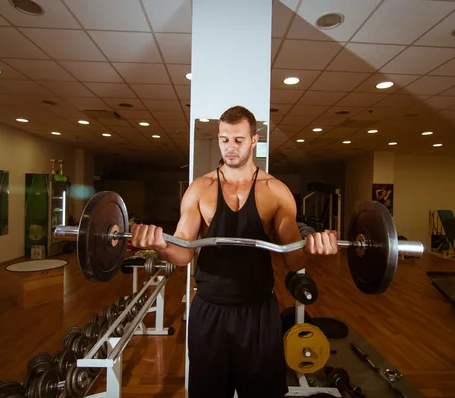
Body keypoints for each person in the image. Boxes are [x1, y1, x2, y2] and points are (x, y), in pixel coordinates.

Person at [130, 105, 339, 398]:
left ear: (254, 139)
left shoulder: (275, 191)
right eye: (224, 139)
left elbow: (293, 257)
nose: (230, 147)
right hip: (209, 312)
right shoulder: (200, 189)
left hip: (258, 314)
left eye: (239, 139)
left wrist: (314, 250)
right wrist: (159, 244)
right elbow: (183, 253)